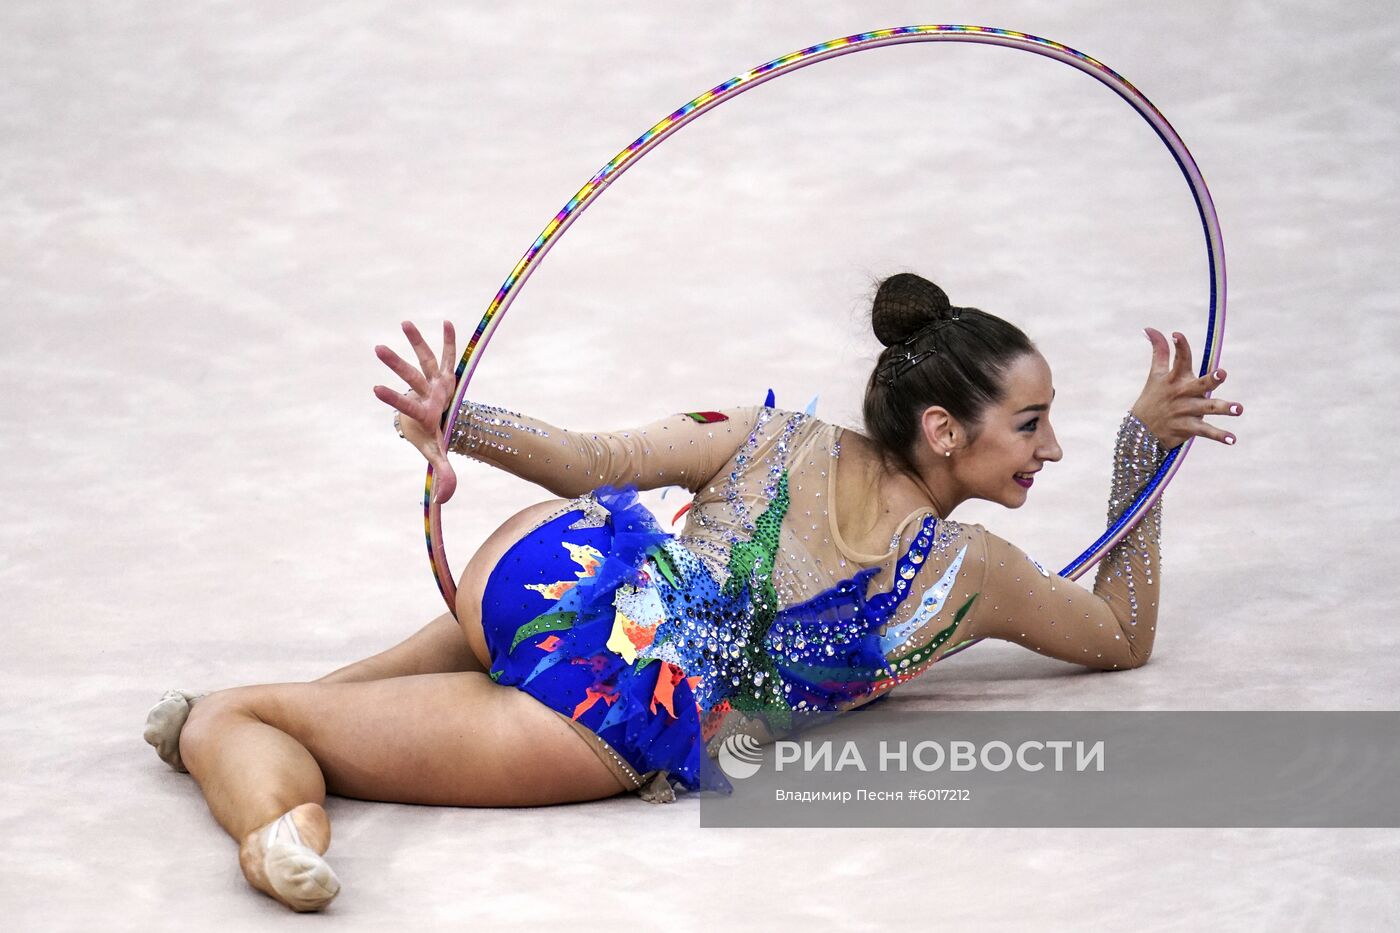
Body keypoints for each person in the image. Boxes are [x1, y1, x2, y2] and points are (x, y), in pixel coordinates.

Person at [143, 272, 1241, 911]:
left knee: (296, 701)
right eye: (1033, 424)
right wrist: (1135, 463)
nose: (1050, 451)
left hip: (550, 562)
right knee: (263, 729)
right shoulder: (966, 576)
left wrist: (464, 423)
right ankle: (278, 829)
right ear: (946, 432)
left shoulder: (775, 441)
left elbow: (586, 467)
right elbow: (1115, 634)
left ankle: (246, 714)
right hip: (609, 715)